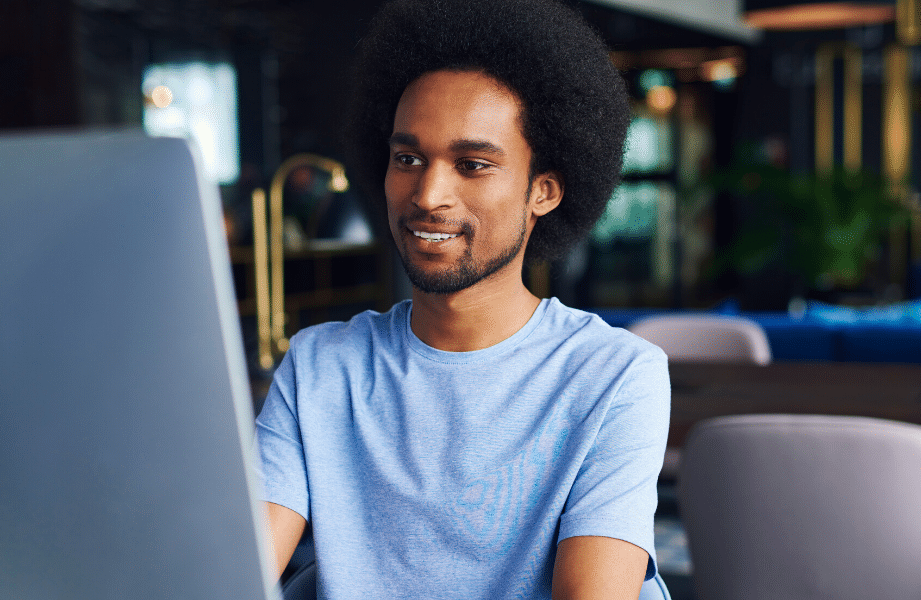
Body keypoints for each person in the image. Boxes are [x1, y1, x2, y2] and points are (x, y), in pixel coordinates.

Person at [254, 0, 671, 597]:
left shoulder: (616, 375)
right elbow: (236, 571)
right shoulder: (320, 367)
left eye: (472, 164)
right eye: (408, 159)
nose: (428, 194)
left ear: (544, 192)